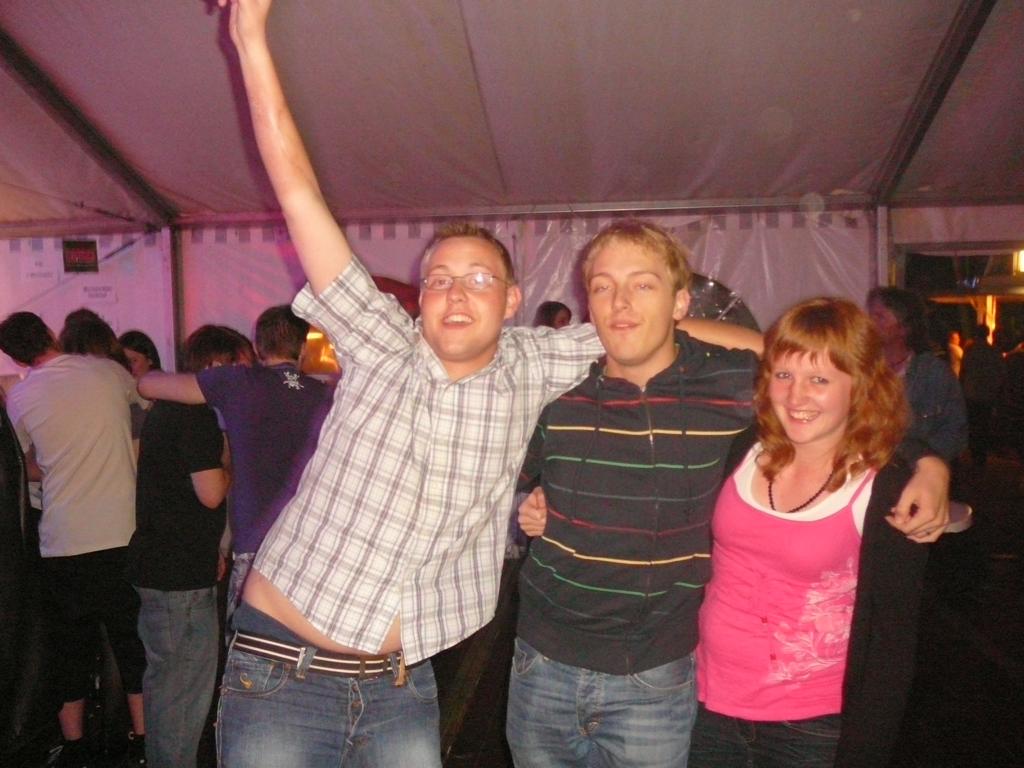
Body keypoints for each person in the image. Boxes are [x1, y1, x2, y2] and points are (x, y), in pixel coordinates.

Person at [214, 3, 765, 764]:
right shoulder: (380, 344)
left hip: (404, 685)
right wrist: (250, 39)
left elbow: (652, 326)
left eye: (479, 279)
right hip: (283, 668)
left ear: (511, 302)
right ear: (419, 299)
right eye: (439, 279)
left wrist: (787, 355)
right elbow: (300, 192)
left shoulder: (536, 363)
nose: (456, 293)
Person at [511, 233, 948, 767]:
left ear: (680, 302)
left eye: (642, 286)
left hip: (663, 674)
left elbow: (834, 388)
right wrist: (536, 502)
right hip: (549, 662)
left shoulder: (730, 384)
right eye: (603, 287)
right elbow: (503, 477)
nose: (621, 303)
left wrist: (928, 462)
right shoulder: (555, 391)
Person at [691, 298, 931, 768]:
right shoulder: (743, 449)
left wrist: (867, 748)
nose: (795, 396)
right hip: (706, 704)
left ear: (859, 386)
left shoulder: (884, 488)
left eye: (819, 380)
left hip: (811, 726)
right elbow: (677, 335)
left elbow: (893, 642)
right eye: (784, 375)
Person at [0, 312, 147, 768]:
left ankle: (76, 747)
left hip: (63, 540)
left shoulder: (21, 396)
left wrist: (54, 460)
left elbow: (21, 465)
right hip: (121, 533)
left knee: (70, 650)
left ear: (15, 357)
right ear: (50, 333)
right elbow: (141, 409)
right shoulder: (109, 372)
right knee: (131, 644)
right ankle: (142, 741)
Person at [138, 305, 333, 621]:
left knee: (250, 640)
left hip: (256, 544)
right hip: (310, 545)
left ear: (258, 346)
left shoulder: (238, 382)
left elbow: (147, 385)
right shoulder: (326, 395)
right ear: (303, 347)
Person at [126, 327, 233, 768]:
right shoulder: (196, 416)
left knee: (168, 688)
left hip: (161, 566)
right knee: (184, 695)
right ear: (216, 366)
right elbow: (211, 492)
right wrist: (231, 458)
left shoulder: (168, 410)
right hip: (178, 574)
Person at [866, 287, 967, 463]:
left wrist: (921, 465)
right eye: (869, 315)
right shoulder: (860, 369)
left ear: (904, 328)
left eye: (879, 317)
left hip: (911, 473)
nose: (869, 323)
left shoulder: (932, 373)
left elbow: (954, 434)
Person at [959, 323, 1006, 468]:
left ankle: (975, 453)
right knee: (984, 424)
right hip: (987, 394)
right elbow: (1001, 373)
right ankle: (981, 455)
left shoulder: (970, 351)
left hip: (971, 393)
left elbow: (963, 371)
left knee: (974, 425)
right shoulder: (994, 351)